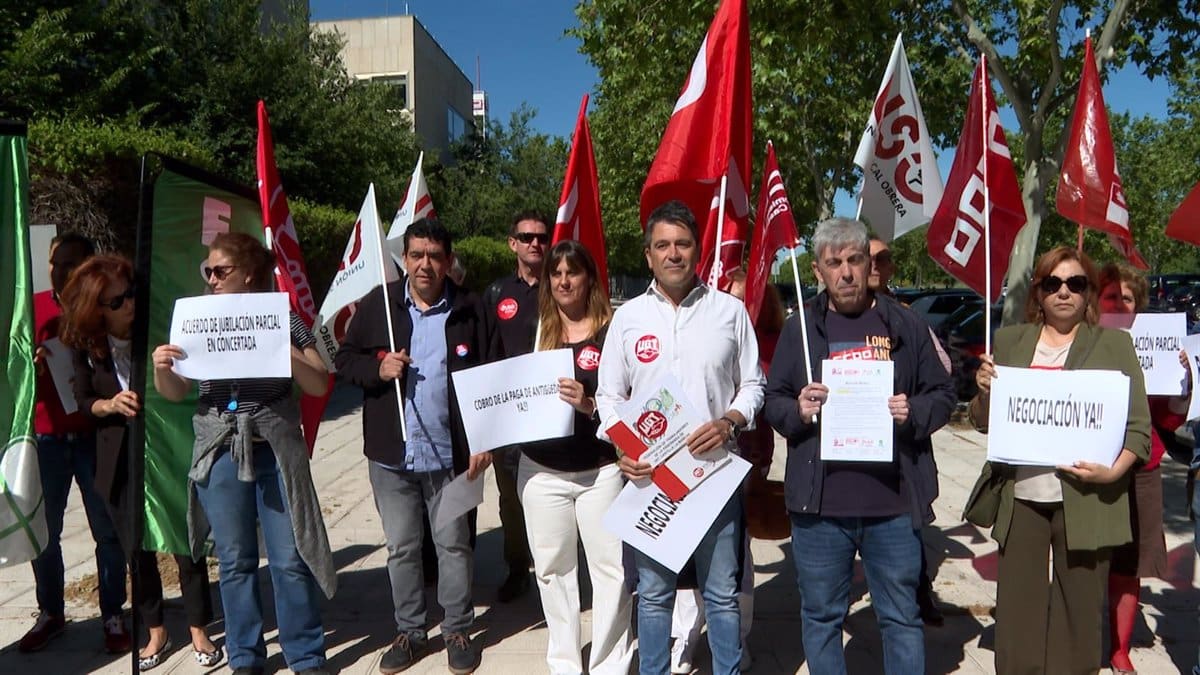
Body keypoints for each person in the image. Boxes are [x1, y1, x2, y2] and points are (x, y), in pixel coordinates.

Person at [763, 217, 956, 675]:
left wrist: (914, 412)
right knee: (821, 618)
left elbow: (943, 394)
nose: (846, 272)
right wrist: (799, 410)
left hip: (892, 506)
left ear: (870, 265)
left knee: (901, 619)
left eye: (854, 260)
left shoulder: (906, 325)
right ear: (817, 271)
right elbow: (773, 400)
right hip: (820, 509)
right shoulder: (800, 329)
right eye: (834, 263)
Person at [152, 232, 334, 675]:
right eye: (208, 271)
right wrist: (163, 369)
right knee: (235, 561)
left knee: (290, 558)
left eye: (220, 270)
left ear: (249, 274)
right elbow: (176, 391)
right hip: (221, 448)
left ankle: (306, 656)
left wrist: (282, 350)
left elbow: (318, 382)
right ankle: (246, 657)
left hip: (275, 449)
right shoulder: (197, 319)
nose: (211, 279)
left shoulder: (282, 317)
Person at [596, 200, 765, 675]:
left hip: (715, 476)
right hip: (651, 480)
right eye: (663, 245)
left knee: (722, 594)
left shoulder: (729, 312)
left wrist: (730, 421)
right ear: (648, 255)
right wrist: (624, 447)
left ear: (698, 251)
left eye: (683, 244)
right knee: (653, 595)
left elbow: (754, 384)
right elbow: (609, 396)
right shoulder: (628, 318)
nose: (674, 254)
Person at [968, 246, 1150, 675]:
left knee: (1079, 615)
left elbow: (1139, 428)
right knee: (1018, 616)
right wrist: (985, 392)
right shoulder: (1010, 342)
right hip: (1023, 499)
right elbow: (982, 421)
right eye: (1053, 283)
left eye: (1075, 283)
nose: (1064, 292)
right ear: (1038, 292)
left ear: (1088, 293)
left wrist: (1112, 472)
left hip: (1088, 499)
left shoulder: (1114, 345)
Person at [335, 218, 492, 675]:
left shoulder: (470, 308)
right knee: (402, 547)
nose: (426, 264)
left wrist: (484, 439)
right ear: (404, 259)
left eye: (435, 256)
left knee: (454, 545)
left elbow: (491, 374)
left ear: (448, 261)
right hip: (393, 456)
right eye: (417, 255)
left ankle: (457, 629)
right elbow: (344, 360)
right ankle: (411, 631)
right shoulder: (379, 305)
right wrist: (378, 370)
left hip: (452, 456)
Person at [59, 254, 221, 669]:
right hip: (118, 455)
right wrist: (109, 404)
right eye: (116, 302)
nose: (128, 304)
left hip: (166, 446)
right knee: (137, 547)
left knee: (184, 539)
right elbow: (83, 401)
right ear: (96, 309)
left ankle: (200, 629)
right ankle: (156, 632)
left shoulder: (155, 325)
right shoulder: (86, 345)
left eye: (130, 294)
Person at [518, 239, 633, 675]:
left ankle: (609, 665)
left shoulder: (613, 332)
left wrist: (590, 405)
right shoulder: (534, 330)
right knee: (552, 572)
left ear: (589, 279)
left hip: (599, 471)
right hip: (541, 472)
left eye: (573, 272)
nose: (564, 281)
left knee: (611, 572)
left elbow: (631, 400)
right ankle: (565, 664)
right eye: (556, 273)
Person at [20, 234, 130, 655]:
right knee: (44, 534)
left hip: (93, 437)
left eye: (69, 263)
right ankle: (51, 612)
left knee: (107, 530)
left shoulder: (100, 307)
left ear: (86, 265)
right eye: (54, 263)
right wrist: (27, 365)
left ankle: (113, 613)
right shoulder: (31, 310)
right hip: (46, 438)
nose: (59, 271)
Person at [668, 268, 782, 674]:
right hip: (690, 453)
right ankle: (685, 634)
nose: (737, 303)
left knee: (735, 554)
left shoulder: (771, 339)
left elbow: (767, 391)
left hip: (746, 454)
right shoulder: (701, 328)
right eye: (730, 294)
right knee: (684, 546)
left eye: (746, 296)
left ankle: (736, 637)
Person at [1098, 262, 1183, 675]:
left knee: (1128, 564)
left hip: (1142, 469)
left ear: (1139, 306)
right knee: (1087, 560)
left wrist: (1184, 382)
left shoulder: (1157, 351)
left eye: (1127, 298)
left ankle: (1120, 649)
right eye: (1110, 296)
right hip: (1091, 464)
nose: (1119, 304)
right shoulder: (1083, 341)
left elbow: (1169, 418)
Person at [868, 236, 948, 625]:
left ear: (891, 268)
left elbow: (942, 371)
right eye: (863, 257)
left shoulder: (909, 320)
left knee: (908, 533)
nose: (872, 264)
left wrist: (911, 404)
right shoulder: (828, 317)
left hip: (901, 450)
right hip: (848, 450)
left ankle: (918, 592)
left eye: (881, 258)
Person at [481, 209, 549, 602]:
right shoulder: (496, 294)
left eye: (541, 237)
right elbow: (487, 357)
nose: (534, 243)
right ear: (512, 243)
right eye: (526, 237)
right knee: (511, 501)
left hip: (551, 415)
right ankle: (517, 568)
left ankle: (554, 569)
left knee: (551, 496)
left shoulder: (560, 287)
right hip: (508, 418)